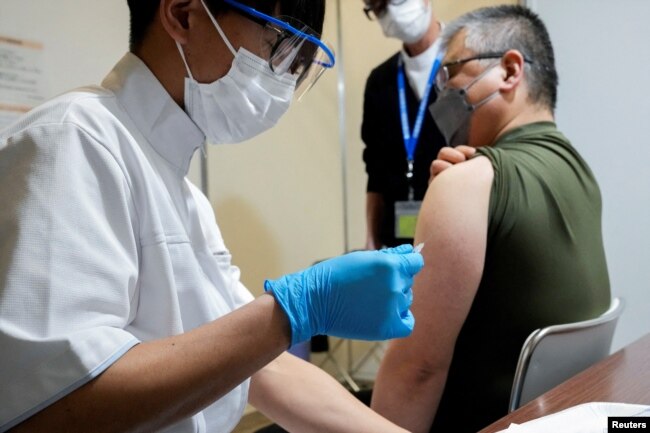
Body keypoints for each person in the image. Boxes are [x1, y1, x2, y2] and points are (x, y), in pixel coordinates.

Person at [0, 1, 424, 432]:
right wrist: (292, 312)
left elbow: (261, 368)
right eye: (280, 46)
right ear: (184, 16)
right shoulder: (72, 141)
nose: (286, 79)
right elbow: (54, 404)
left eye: (300, 64)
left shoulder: (184, 193)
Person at [370, 5, 612, 433]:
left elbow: (416, 372)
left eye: (451, 74)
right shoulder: (580, 172)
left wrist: (454, 192)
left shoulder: (467, 183)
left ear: (509, 70)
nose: (440, 95)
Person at [361, 0, 446, 250]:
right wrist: (371, 241)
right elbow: (374, 173)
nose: (392, 13)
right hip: (396, 244)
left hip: (455, 234)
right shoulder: (380, 82)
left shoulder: (466, 64)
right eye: (379, 8)